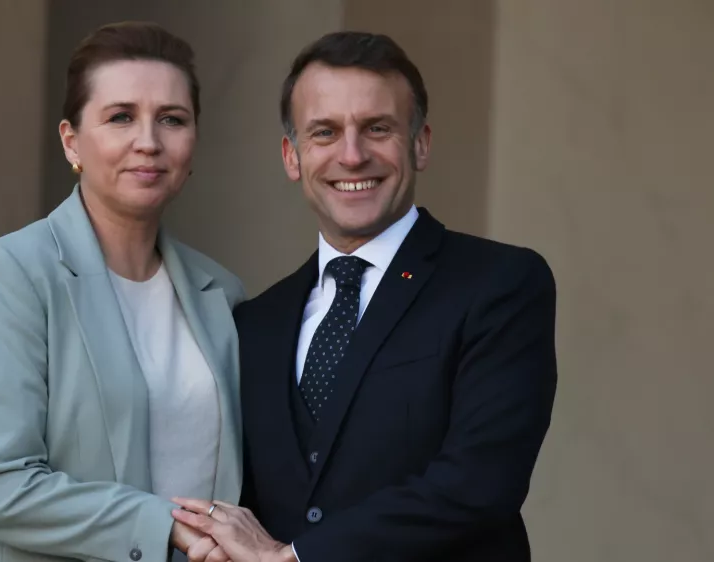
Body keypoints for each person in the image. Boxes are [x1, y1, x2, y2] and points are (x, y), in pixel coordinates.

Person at [172, 31, 558, 562]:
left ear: (420, 143)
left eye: (377, 128)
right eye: (325, 132)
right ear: (292, 156)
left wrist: (296, 558)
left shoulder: (500, 284)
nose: (352, 156)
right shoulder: (256, 323)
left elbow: (479, 483)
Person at [0, 21, 246, 562]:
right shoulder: (7, 275)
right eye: (121, 117)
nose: (148, 141)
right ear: (71, 141)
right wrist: (161, 527)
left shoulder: (222, 294)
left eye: (172, 119)